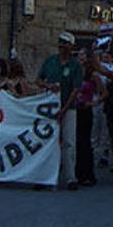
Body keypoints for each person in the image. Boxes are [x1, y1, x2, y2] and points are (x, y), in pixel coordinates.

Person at [37, 31, 83, 190]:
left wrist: (64, 108)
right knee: (49, 141)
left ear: (71, 46)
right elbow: (39, 80)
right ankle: (47, 176)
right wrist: (48, 86)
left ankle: (71, 177)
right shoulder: (50, 62)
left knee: (69, 142)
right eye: (60, 42)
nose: (62, 46)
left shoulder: (76, 65)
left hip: (68, 108)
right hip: (49, 108)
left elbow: (76, 89)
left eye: (65, 43)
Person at [76, 49, 104, 186]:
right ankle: (77, 172)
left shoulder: (93, 75)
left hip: (86, 110)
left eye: (82, 55)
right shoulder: (76, 73)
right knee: (76, 142)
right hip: (75, 109)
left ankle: (87, 174)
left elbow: (104, 93)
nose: (80, 57)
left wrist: (92, 102)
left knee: (85, 142)